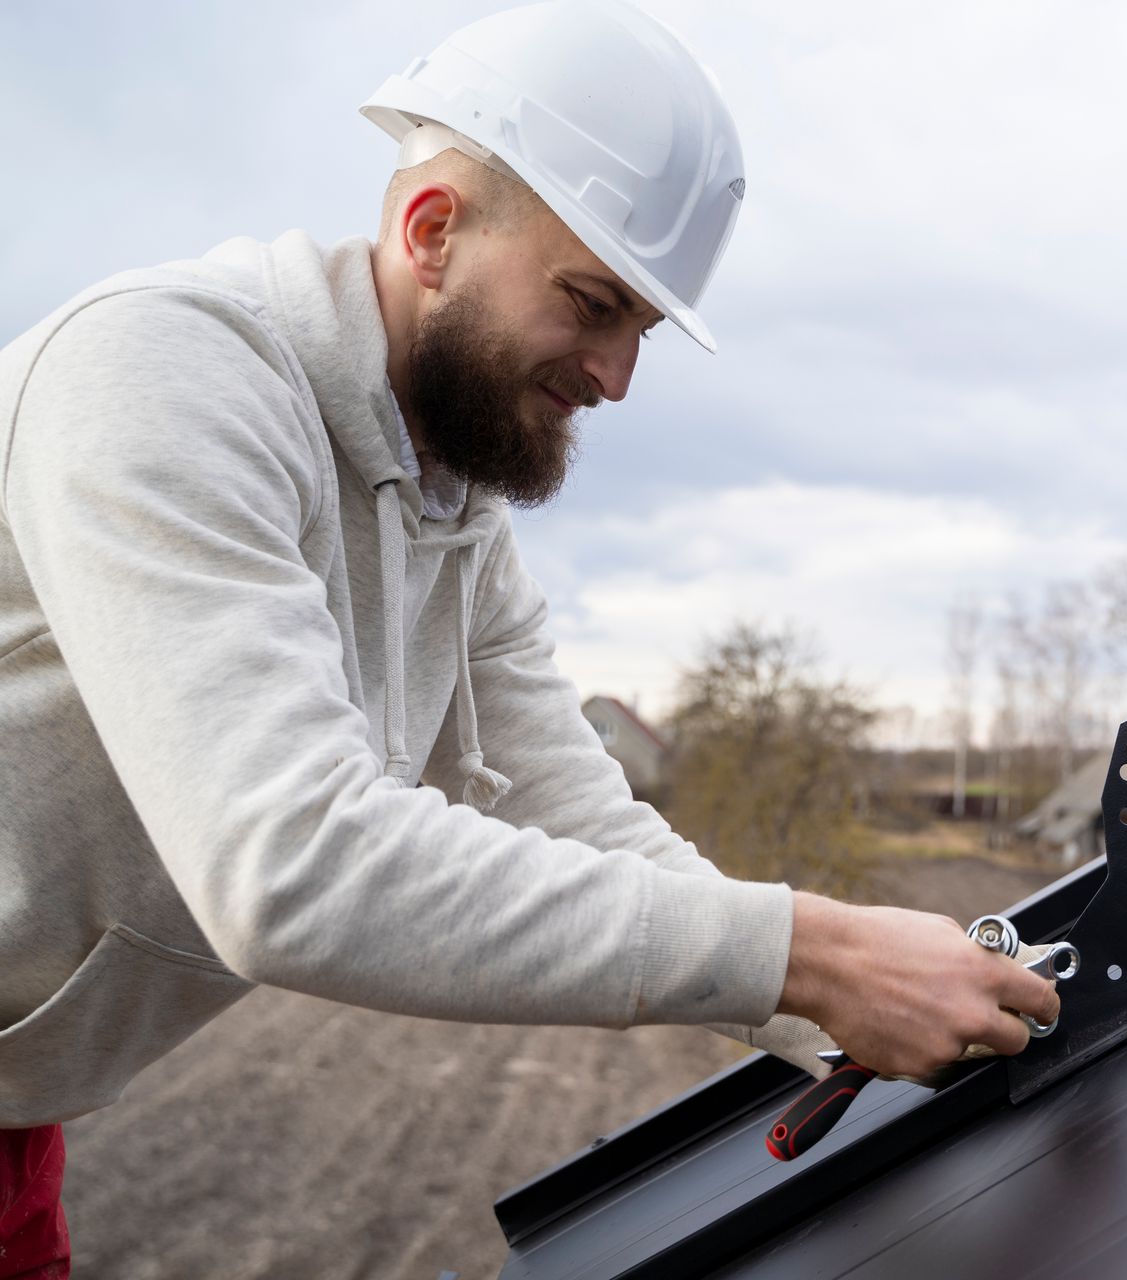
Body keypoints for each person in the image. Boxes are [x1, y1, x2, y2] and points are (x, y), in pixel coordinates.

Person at [0, 4, 1057, 1272]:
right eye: (591, 303)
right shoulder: (164, 376)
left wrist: (833, 1004)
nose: (616, 378)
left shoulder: (453, 517)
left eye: (642, 330)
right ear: (432, 229)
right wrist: (815, 950)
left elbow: (577, 811)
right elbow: (289, 862)